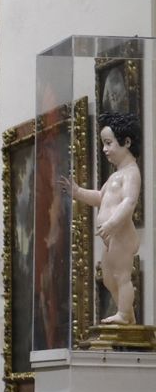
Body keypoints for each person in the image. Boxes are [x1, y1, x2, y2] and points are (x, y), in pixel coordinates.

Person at [58, 112, 142, 324]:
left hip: (121, 234)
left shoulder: (132, 173)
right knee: (107, 277)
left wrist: (113, 224)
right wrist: (77, 192)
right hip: (110, 237)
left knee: (122, 275)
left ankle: (124, 314)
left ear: (127, 142)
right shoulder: (115, 175)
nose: (104, 150)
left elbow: (129, 202)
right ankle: (128, 315)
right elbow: (100, 198)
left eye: (108, 143)